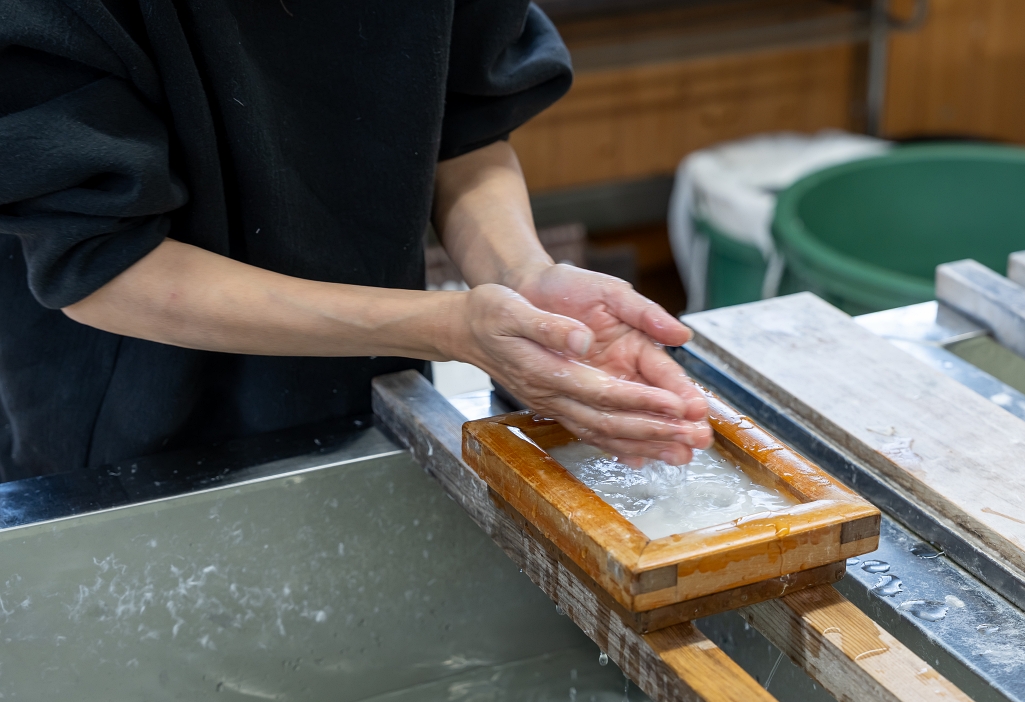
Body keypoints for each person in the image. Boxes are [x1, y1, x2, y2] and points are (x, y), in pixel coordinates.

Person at [0, 0, 712, 482]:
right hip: (132, 429)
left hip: (368, 389)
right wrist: (450, 327)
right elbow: (104, 264)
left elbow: (462, 121)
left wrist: (522, 275)